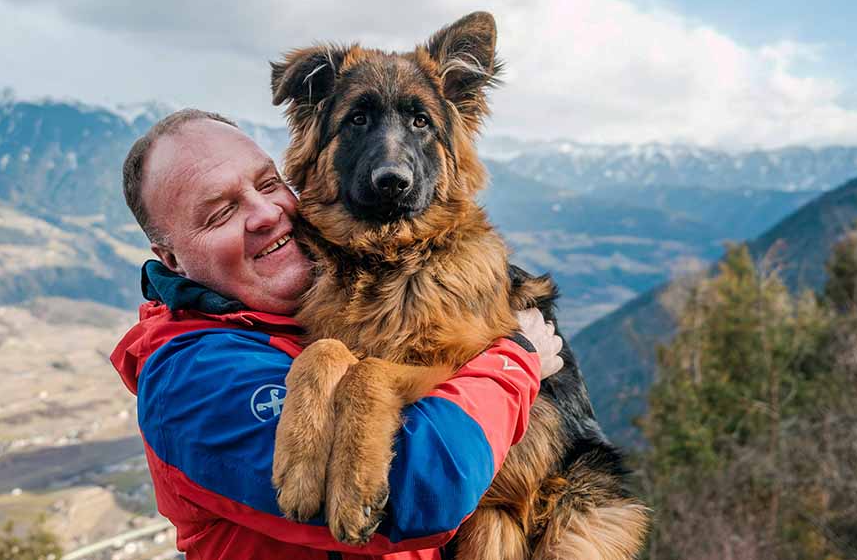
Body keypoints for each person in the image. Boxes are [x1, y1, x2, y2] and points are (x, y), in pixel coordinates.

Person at [110, 109, 564, 560]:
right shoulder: (192, 379)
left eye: (268, 184)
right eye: (221, 213)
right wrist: (516, 359)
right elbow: (420, 492)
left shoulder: (327, 306)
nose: (266, 214)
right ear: (171, 259)